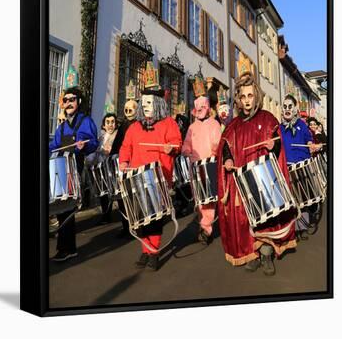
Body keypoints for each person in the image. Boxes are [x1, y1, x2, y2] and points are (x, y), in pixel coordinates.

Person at [216, 72, 296, 276]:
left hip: (264, 178)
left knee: (266, 218)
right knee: (246, 217)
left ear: (256, 96)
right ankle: (254, 253)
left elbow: (277, 144)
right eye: (243, 97)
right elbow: (226, 145)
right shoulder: (233, 125)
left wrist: (273, 145)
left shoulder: (267, 118)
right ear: (238, 100)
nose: (247, 101)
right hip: (242, 180)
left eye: (250, 96)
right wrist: (227, 159)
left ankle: (267, 254)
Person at [119, 88, 182, 271]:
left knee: (154, 218)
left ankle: (153, 252)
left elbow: (177, 142)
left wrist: (172, 148)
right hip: (136, 178)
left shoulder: (169, 123)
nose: (145, 106)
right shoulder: (135, 127)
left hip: (158, 177)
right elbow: (125, 147)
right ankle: (146, 249)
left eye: (149, 102)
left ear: (159, 104)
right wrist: (123, 162)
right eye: (143, 102)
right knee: (140, 217)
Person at [49, 87, 98, 262]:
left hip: (74, 167)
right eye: (66, 100)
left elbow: (93, 142)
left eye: (72, 99)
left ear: (79, 102)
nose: (68, 103)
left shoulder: (86, 121)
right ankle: (66, 247)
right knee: (60, 208)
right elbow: (53, 147)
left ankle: (67, 248)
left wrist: (84, 146)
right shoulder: (61, 127)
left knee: (67, 208)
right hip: (59, 168)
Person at [182, 96, 221, 244]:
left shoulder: (214, 124)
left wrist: (213, 155)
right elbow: (187, 143)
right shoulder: (192, 127)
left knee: (209, 199)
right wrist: (186, 150)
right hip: (195, 167)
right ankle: (203, 225)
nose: (199, 112)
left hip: (210, 165)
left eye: (201, 109)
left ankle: (206, 228)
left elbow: (217, 143)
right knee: (199, 199)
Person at [280, 95, 319, 240]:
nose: (287, 109)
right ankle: (292, 229)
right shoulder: (279, 127)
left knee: (303, 197)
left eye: (290, 106)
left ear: (296, 109)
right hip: (288, 167)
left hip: (302, 165)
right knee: (291, 199)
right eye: (285, 107)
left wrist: (310, 144)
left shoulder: (302, 125)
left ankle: (301, 227)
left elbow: (309, 138)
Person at [111, 99, 138, 237]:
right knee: (122, 197)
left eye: (130, 109)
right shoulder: (122, 126)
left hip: (134, 164)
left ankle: (135, 224)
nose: (128, 113)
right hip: (122, 164)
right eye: (125, 110)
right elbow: (117, 144)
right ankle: (126, 225)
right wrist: (113, 155)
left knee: (133, 195)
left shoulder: (139, 125)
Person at [94, 113, 119, 224]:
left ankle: (125, 220)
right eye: (107, 122)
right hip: (102, 169)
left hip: (114, 169)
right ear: (103, 125)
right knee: (103, 194)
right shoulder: (100, 138)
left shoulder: (118, 136)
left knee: (117, 194)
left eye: (112, 122)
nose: (110, 125)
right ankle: (106, 215)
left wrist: (111, 152)